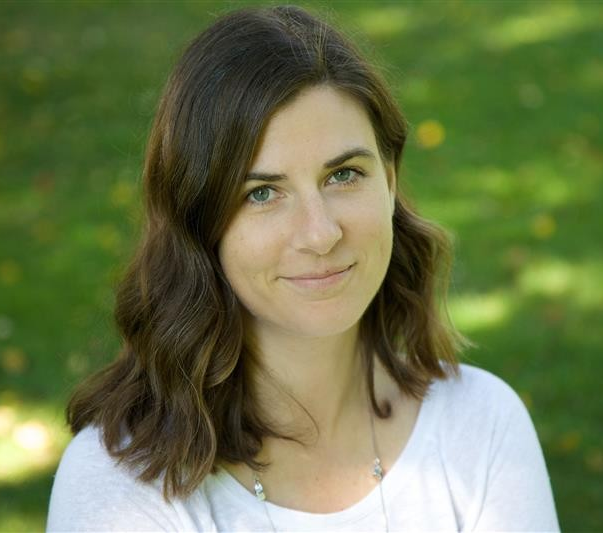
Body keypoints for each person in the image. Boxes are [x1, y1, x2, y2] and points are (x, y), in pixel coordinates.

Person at [47, 5, 559, 532]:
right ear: (200, 222)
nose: (320, 233)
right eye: (263, 192)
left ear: (389, 179)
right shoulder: (123, 484)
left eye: (343, 175)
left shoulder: (482, 426)